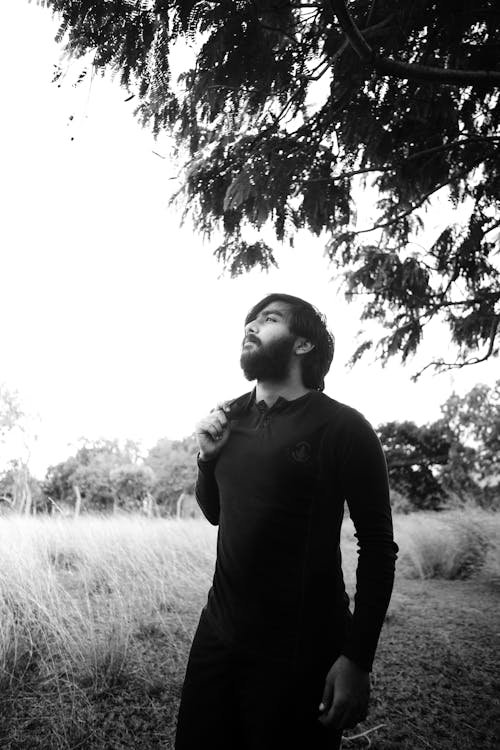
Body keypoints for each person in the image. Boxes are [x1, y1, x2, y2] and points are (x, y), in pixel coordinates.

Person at [175, 293, 398, 750]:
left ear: (303, 345)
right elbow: (217, 513)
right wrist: (206, 460)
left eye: (269, 319)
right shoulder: (228, 418)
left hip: (302, 651)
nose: (250, 327)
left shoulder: (344, 427)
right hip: (218, 636)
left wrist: (357, 659)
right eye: (249, 320)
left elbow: (377, 547)